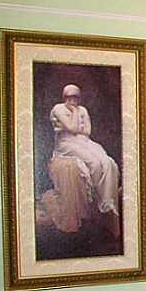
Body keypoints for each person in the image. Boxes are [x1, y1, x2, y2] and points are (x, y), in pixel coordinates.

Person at [50, 84, 120, 219]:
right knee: (95, 163)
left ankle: (108, 201)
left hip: (84, 141)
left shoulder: (83, 109)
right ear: (64, 97)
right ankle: (97, 198)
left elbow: (87, 131)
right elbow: (73, 128)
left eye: (75, 97)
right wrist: (74, 113)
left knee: (108, 162)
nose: (72, 100)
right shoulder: (58, 109)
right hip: (66, 143)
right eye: (69, 97)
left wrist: (73, 128)